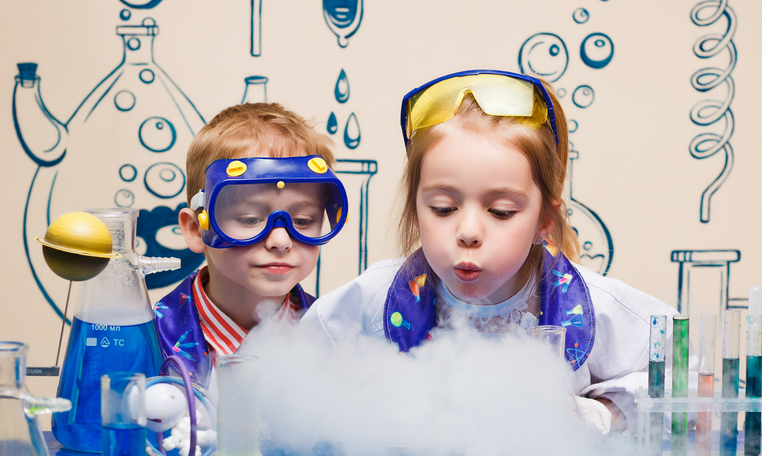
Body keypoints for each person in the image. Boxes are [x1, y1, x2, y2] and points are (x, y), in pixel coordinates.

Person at [302, 70, 675, 433]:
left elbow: (685, 369)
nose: (467, 232)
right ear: (415, 211)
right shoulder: (372, 300)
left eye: (500, 212)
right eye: (443, 209)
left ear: (544, 220)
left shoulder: (590, 305)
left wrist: (598, 413)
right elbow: (296, 380)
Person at [154, 103, 348, 386]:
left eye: (304, 220)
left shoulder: (335, 337)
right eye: (250, 219)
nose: (281, 240)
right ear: (197, 229)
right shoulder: (146, 337)